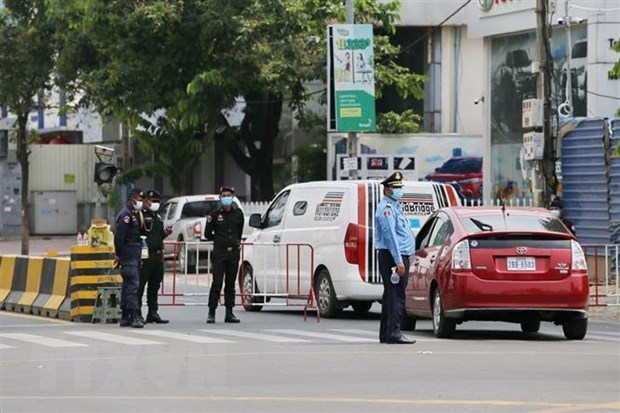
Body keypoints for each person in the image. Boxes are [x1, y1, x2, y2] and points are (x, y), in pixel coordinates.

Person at [375, 172, 416, 344]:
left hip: (396, 256)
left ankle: (386, 333)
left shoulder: (395, 207)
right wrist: (399, 261)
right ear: (386, 190)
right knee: (396, 296)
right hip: (393, 257)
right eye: (395, 187)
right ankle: (394, 332)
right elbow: (391, 236)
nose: (399, 190)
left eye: (400, 187)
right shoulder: (387, 210)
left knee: (391, 295)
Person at [204, 185, 245, 324]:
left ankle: (229, 313)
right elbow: (207, 233)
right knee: (217, 282)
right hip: (219, 253)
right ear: (220, 197)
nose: (226, 198)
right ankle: (211, 312)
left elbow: (239, 231)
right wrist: (219, 240)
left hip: (233, 252)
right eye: (224, 195)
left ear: (233, 197)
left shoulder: (238, 213)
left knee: (230, 284)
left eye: (229, 195)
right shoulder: (214, 214)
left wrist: (235, 242)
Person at [138, 189, 172, 324]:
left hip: (157, 256)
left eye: (157, 201)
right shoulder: (140, 215)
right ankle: (137, 312)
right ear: (145, 201)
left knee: (154, 285)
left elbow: (157, 236)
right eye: (152, 201)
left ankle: (153, 312)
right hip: (145, 255)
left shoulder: (157, 217)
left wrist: (165, 234)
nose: (155, 204)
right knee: (140, 285)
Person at [114, 188, 146, 328]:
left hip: (133, 253)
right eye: (139, 200)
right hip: (128, 253)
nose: (141, 202)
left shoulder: (133, 213)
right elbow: (119, 237)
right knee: (133, 285)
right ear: (132, 199)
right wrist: (119, 254)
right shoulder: (126, 215)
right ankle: (133, 316)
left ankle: (125, 315)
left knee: (128, 286)